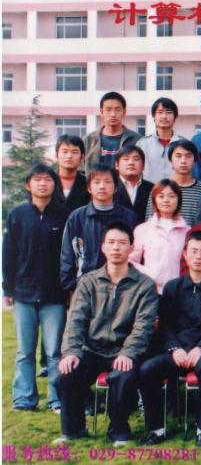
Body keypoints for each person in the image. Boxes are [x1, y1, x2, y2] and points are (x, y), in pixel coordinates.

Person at [53, 222, 158, 445]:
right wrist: (71, 352)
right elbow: (75, 320)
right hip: (92, 349)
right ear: (103, 247)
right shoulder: (88, 282)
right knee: (67, 373)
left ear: (132, 248)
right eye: (111, 242)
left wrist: (128, 353)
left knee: (122, 376)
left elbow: (143, 326)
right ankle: (73, 430)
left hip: (123, 351)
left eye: (122, 243)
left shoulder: (145, 285)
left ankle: (119, 431)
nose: (116, 248)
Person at [137, 231, 201, 448]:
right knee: (147, 369)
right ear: (184, 254)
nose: (198, 256)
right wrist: (174, 348)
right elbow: (166, 324)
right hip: (178, 351)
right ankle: (156, 428)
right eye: (193, 251)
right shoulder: (172, 287)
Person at [3, 164, 69, 413]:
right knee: (25, 351)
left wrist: (68, 288)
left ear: (55, 184)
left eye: (47, 179)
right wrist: (8, 288)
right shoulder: (18, 214)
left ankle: (57, 398)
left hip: (55, 294)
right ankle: (24, 398)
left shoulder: (64, 215)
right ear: (28, 185)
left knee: (54, 351)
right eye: (37, 179)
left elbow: (69, 256)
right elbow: (8, 254)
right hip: (24, 293)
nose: (42, 184)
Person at [60, 163, 137, 297]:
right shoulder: (77, 217)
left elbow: (135, 255)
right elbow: (67, 256)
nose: (102, 186)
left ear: (115, 188)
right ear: (89, 188)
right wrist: (70, 288)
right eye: (97, 182)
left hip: (122, 290)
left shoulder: (129, 217)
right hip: (85, 289)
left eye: (107, 182)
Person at [129, 180, 190, 292]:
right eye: (161, 196)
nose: (166, 200)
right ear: (154, 200)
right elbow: (131, 261)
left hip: (179, 291)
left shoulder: (187, 231)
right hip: (151, 290)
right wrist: (150, 274)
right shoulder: (143, 229)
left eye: (171, 196)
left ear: (179, 200)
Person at [146, 140, 201, 225]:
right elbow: (149, 221)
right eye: (178, 156)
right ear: (170, 160)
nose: (183, 161)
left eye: (188, 156)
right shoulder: (159, 188)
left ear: (195, 161)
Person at [136, 97, 188, 184]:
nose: (164, 116)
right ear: (153, 116)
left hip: (177, 190)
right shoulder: (142, 144)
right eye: (160, 112)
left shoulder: (184, 143)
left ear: (175, 117)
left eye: (169, 112)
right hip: (149, 190)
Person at [84, 91, 140, 171]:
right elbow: (81, 170)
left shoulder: (137, 140)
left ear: (124, 112)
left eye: (117, 110)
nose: (113, 114)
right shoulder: (88, 140)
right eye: (108, 110)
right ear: (101, 112)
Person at [113, 145, 154, 224]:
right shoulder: (110, 187)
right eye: (126, 159)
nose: (131, 163)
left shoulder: (152, 189)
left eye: (136, 159)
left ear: (143, 166)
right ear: (117, 165)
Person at [53, 135, 90, 211]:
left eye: (74, 152)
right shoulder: (49, 181)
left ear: (82, 157)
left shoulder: (88, 184)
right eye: (65, 152)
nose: (69, 156)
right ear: (56, 156)